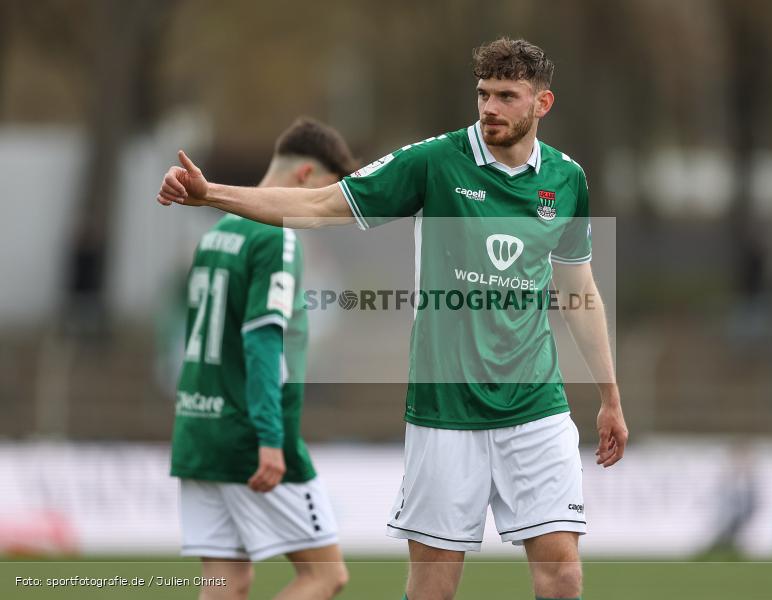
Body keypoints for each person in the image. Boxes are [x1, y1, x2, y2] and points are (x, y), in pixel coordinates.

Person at [159, 39, 627, 600]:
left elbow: (579, 287)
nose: (490, 108)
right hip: (445, 411)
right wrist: (213, 195)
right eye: (483, 94)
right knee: (433, 587)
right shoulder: (433, 162)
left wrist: (609, 393)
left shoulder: (566, 179)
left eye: (507, 96)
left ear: (541, 103)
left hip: (536, 406)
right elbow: (319, 205)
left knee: (564, 576)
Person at [169, 117, 356, 600]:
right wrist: (271, 439)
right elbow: (261, 342)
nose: (328, 211)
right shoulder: (277, 236)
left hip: (198, 428)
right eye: (329, 195)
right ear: (305, 177)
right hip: (250, 434)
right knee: (325, 576)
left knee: (226, 584)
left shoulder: (216, 233)